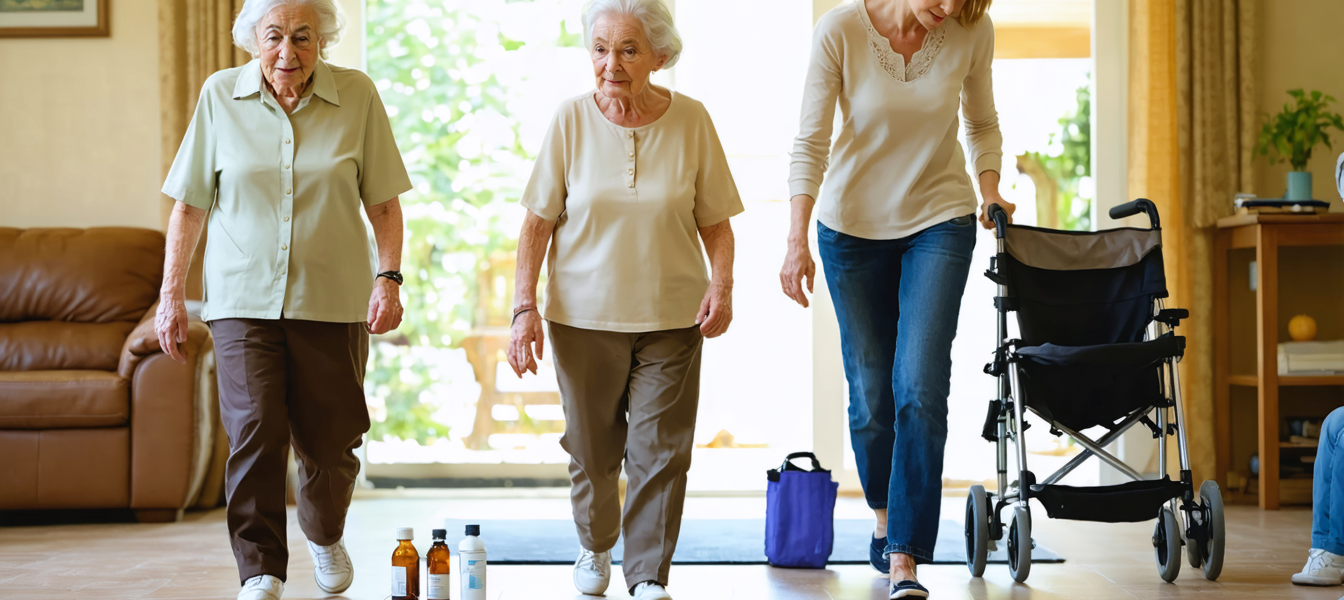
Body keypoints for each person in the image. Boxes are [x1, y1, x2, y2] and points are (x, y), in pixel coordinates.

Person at [156, 1, 411, 598]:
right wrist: (171, 296)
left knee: (332, 439)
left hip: (332, 297)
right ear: (251, 40)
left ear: (323, 41)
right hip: (241, 298)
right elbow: (189, 205)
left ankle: (324, 534)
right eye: (274, 36)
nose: (288, 52)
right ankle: (261, 567)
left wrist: (389, 277)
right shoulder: (221, 96)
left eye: (303, 37)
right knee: (253, 431)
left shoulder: (358, 96)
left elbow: (384, 205)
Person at [506, 1, 742, 598]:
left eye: (628, 50)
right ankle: (595, 544)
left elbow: (715, 222)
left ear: (660, 56)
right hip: (581, 318)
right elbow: (536, 224)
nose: (610, 63)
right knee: (592, 450)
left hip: (673, 316)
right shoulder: (569, 121)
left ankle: (647, 575)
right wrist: (523, 308)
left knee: (660, 452)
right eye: (601, 49)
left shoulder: (692, 121)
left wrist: (722, 284)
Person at [779, 0, 1011, 597]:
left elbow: (980, 123)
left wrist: (990, 191)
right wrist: (794, 239)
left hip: (940, 219)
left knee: (920, 383)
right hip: (849, 230)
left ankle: (904, 554)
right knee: (870, 394)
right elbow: (811, 140)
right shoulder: (839, 30)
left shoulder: (969, 29)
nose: (951, 7)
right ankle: (884, 513)